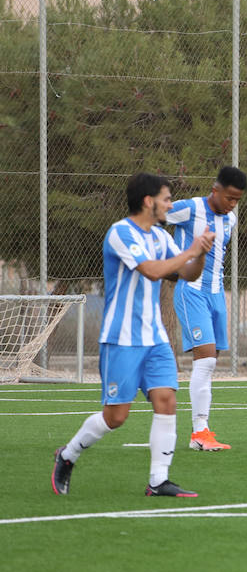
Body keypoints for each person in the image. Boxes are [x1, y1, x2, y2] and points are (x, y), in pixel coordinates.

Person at [50, 172, 215, 498]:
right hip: (121, 339)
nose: (170, 204)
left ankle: (158, 481)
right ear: (148, 201)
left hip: (155, 338)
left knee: (166, 400)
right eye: (166, 199)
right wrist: (190, 249)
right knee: (116, 417)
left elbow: (186, 273)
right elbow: (153, 270)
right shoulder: (120, 233)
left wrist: (202, 253)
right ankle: (68, 455)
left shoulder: (160, 236)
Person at [165, 165, 247, 452]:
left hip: (216, 295)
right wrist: (165, 258)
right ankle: (199, 431)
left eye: (237, 200)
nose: (232, 204)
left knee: (210, 362)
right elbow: (153, 216)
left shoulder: (231, 219)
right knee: (207, 359)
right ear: (216, 190)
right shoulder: (189, 209)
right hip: (191, 293)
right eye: (229, 198)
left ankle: (202, 430)